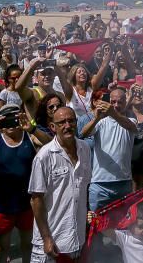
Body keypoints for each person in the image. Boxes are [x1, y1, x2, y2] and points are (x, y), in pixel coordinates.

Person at [0, 104, 44, 263]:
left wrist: (31, 128)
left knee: (28, 247)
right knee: (0, 250)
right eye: (7, 119)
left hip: (27, 204)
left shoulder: (30, 137)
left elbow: (52, 144)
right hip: (1, 206)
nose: (11, 124)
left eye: (15, 119)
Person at [29, 105, 92, 262]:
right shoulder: (44, 156)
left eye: (71, 121)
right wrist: (46, 238)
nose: (67, 126)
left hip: (77, 238)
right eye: (62, 122)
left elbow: (85, 188)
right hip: (52, 242)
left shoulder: (85, 149)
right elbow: (36, 200)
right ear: (52, 127)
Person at [81, 87, 137, 210]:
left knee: (123, 227)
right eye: (113, 102)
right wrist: (96, 118)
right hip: (99, 184)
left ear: (125, 103)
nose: (116, 105)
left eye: (120, 102)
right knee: (97, 226)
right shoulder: (101, 122)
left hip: (123, 182)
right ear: (109, 102)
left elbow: (131, 126)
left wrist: (112, 112)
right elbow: (83, 133)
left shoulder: (131, 120)